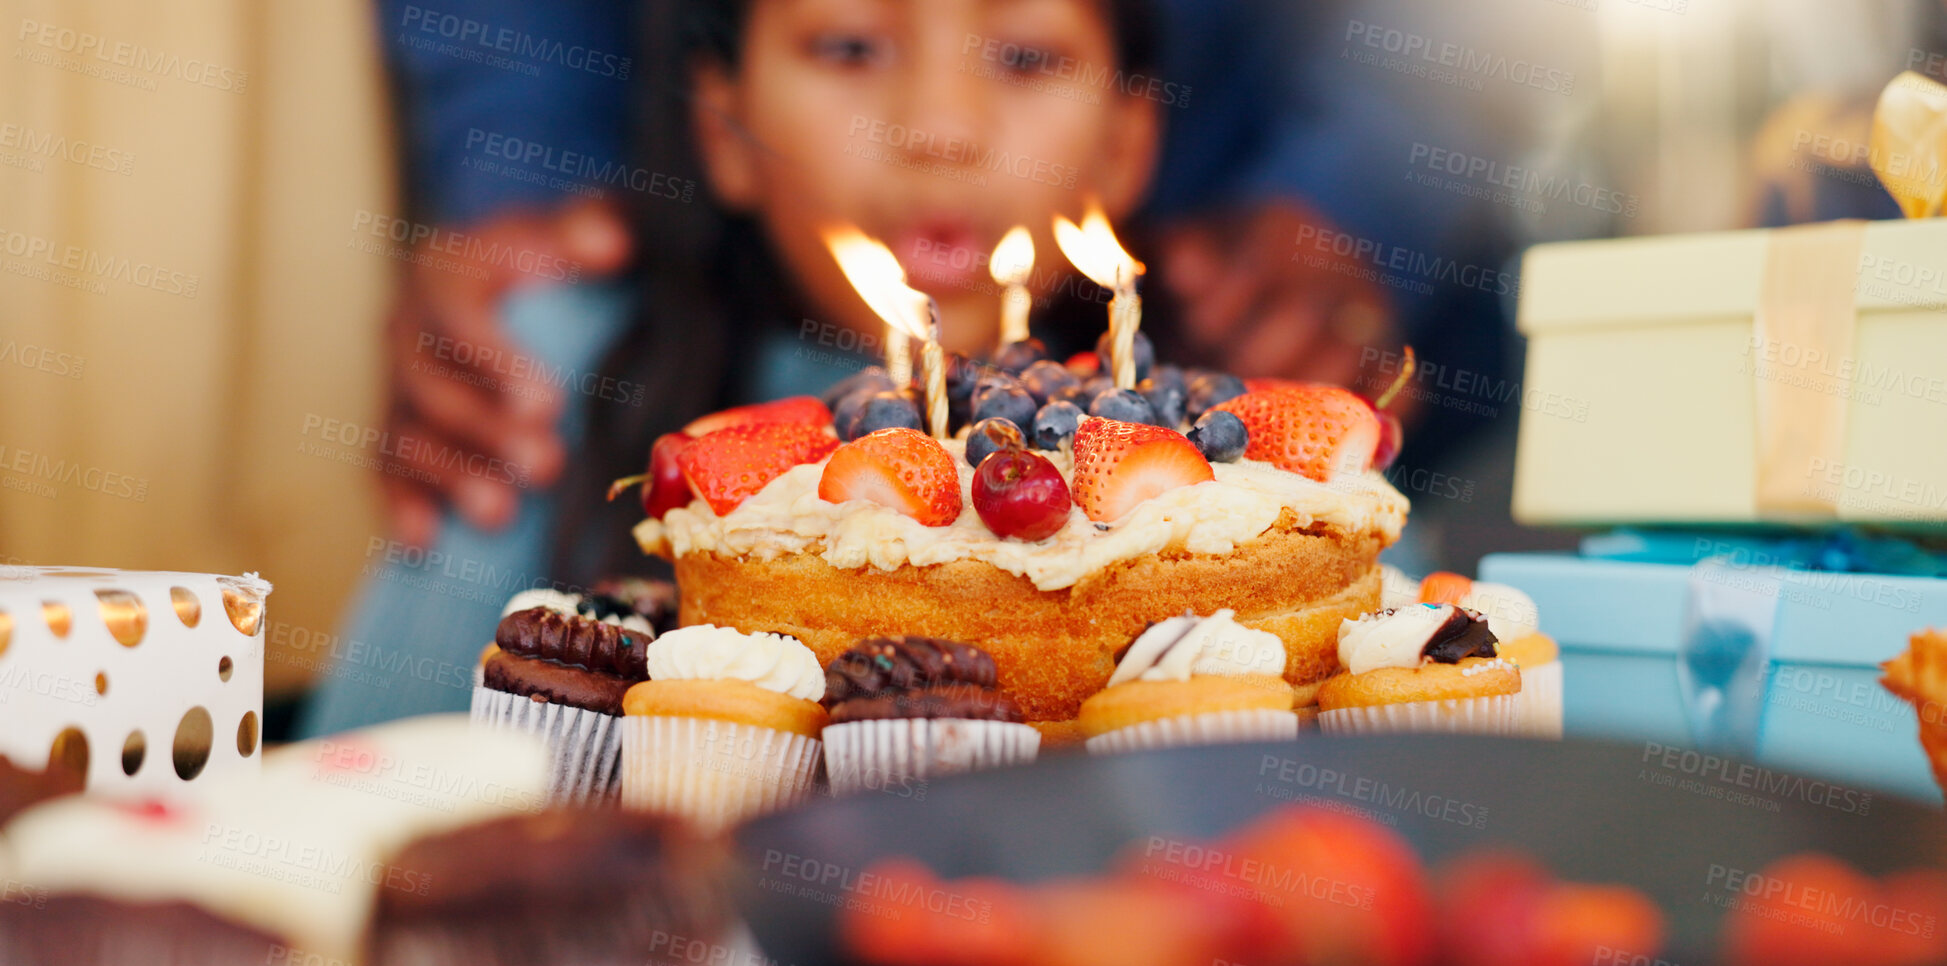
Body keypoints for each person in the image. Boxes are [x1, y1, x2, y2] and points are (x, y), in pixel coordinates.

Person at [302, 0, 1515, 735]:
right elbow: (364, 772)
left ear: (1130, 138)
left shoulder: (1212, 465)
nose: (941, 127)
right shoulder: (555, 382)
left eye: (1027, 58)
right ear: (721, 128)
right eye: (849, 44)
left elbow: (1385, 690)